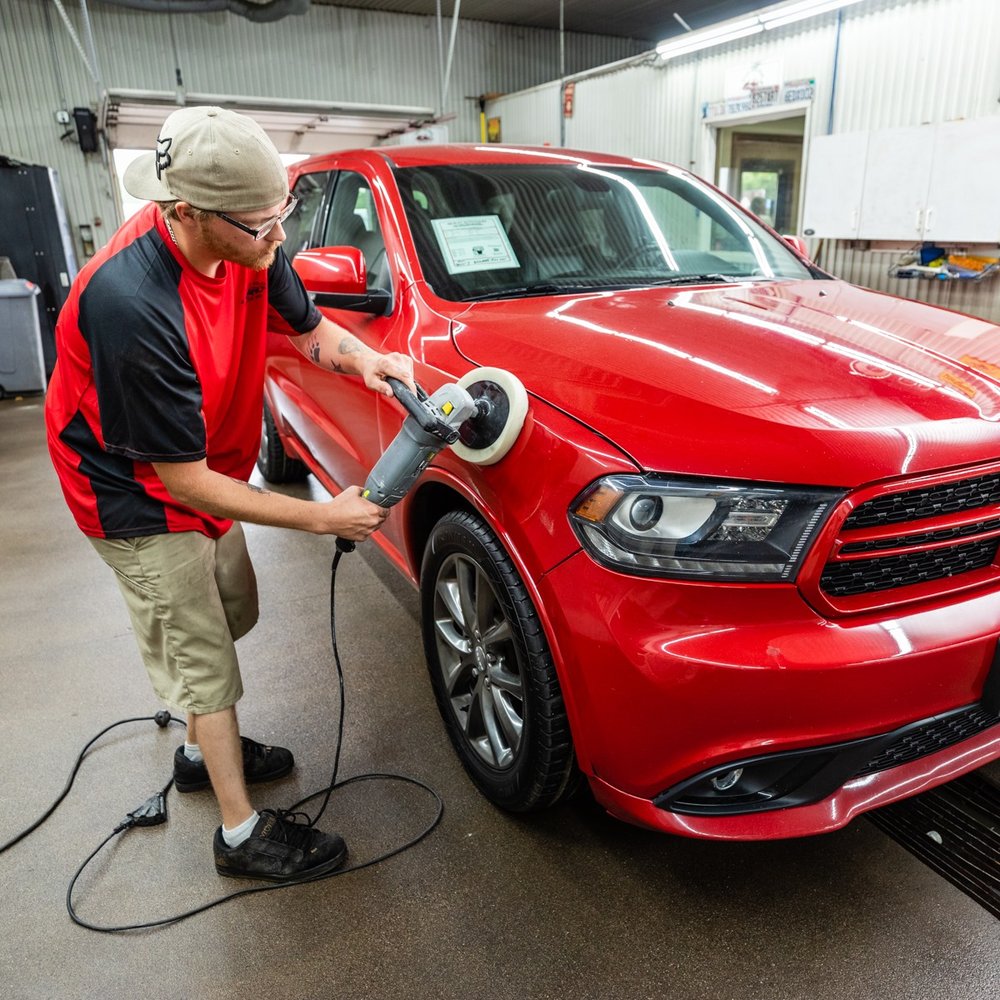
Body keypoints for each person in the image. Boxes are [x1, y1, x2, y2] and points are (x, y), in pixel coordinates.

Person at [44, 106, 415, 883]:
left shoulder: (251, 240)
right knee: (205, 657)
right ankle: (240, 834)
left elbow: (309, 329)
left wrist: (366, 360)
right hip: (129, 492)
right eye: (261, 225)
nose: (278, 238)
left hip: (204, 467)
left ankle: (195, 754)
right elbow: (178, 482)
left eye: (282, 215)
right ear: (187, 211)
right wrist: (323, 516)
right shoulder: (130, 302)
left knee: (233, 610)